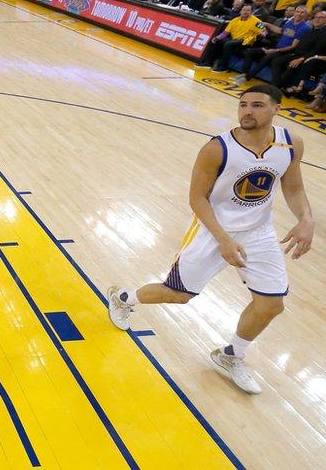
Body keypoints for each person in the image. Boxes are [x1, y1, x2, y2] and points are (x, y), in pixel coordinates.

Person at [108, 84, 314, 395]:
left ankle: (232, 355)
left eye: (257, 105)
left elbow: (294, 188)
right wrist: (224, 240)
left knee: (271, 305)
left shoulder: (290, 144)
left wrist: (306, 220)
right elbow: (197, 198)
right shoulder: (217, 148)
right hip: (212, 229)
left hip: (258, 232)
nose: (247, 111)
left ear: (276, 109)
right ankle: (124, 299)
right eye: (243, 104)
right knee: (178, 295)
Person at [236, 6, 310, 83]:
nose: (299, 14)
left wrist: (275, 50)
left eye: (302, 12)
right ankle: (245, 73)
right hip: (277, 47)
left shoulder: (304, 28)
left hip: (286, 52)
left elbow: (293, 46)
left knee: (267, 57)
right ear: (294, 13)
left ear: (306, 14)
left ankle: (247, 78)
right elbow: (280, 31)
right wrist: (267, 24)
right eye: (298, 11)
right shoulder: (290, 22)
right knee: (250, 51)